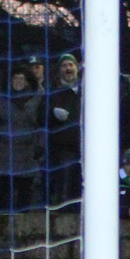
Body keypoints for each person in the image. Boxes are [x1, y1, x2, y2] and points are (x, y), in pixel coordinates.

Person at [0, 69, 43, 212]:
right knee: (5, 189)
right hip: (6, 151)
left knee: (25, 189)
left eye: (21, 78)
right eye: (15, 78)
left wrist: (40, 146)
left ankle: (24, 224)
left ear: (27, 81)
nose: (18, 82)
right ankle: (2, 221)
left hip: (28, 152)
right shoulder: (0, 101)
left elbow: (44, 124)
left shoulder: (37, 100)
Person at [46, 53, 83, 206]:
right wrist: (52, 113)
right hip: (63, 149)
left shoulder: (86, 91)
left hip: (84, 149)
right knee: (64, 189)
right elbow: (41, 117)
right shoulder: (53, 92)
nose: (68, 68)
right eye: (64, 65)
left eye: (71, 65)